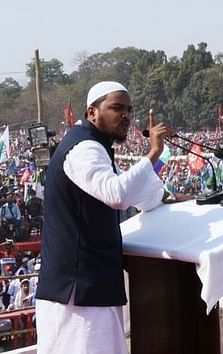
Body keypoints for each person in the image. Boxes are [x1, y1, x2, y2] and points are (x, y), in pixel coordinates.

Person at [35, 81, 185, 354]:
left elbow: (139, 195)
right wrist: (153, 154)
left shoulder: (97, 147)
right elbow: (115, 194)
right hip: (78, 293)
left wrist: (173, 199)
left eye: (129, 109)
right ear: (92, 112)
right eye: (117, 108)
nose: (126, 116)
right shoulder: (84, 149)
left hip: (91, 288)